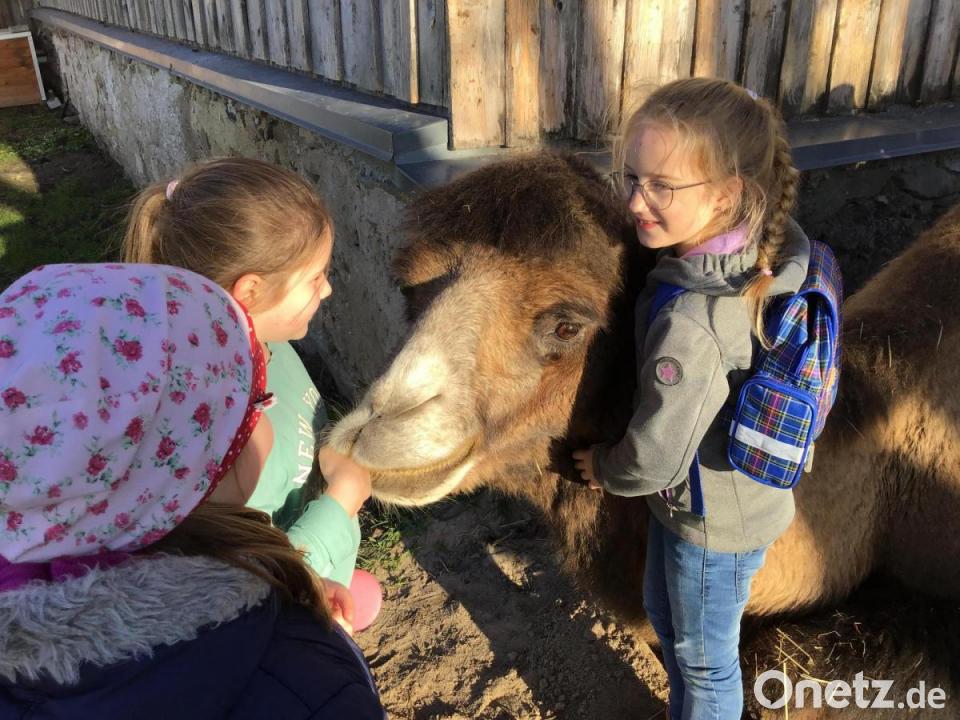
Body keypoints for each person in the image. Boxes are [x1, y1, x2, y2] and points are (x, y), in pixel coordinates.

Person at [0, 263, 385, 718]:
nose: (263, 418)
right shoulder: (309, 678)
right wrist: (325, 636)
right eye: (254, 403)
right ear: (190, 476)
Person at [572, 78, 810, 720]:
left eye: (661, 187)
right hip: (714, 503)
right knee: (666, 620)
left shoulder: (692, 324)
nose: (636, 202)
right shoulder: (766, 247)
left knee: (706, 663)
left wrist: (605, 468)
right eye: (631, 177)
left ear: (728, 194)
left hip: (713, 519)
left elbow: (656, 457)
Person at [121, 158, 380, 625]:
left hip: (322, 559)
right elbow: (250, 575)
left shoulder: (261, 345)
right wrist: (344, 495)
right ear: (250, 292)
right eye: (315, 277)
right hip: (289, 599)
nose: (329, 290)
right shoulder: (216, 434)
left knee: (366, 594)